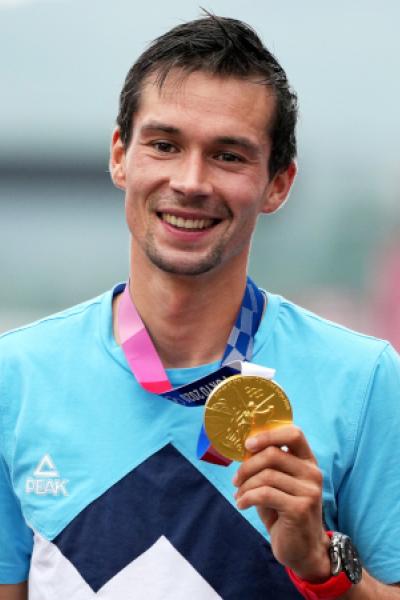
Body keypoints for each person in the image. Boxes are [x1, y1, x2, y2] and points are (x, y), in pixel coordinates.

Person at [1, 13, 399, 600]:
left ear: (278, 183)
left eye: (229, 156)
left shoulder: (364, 381)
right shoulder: (17, 375)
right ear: (120, 156)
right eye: (164, 145)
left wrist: (322, 566)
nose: (191, 181)